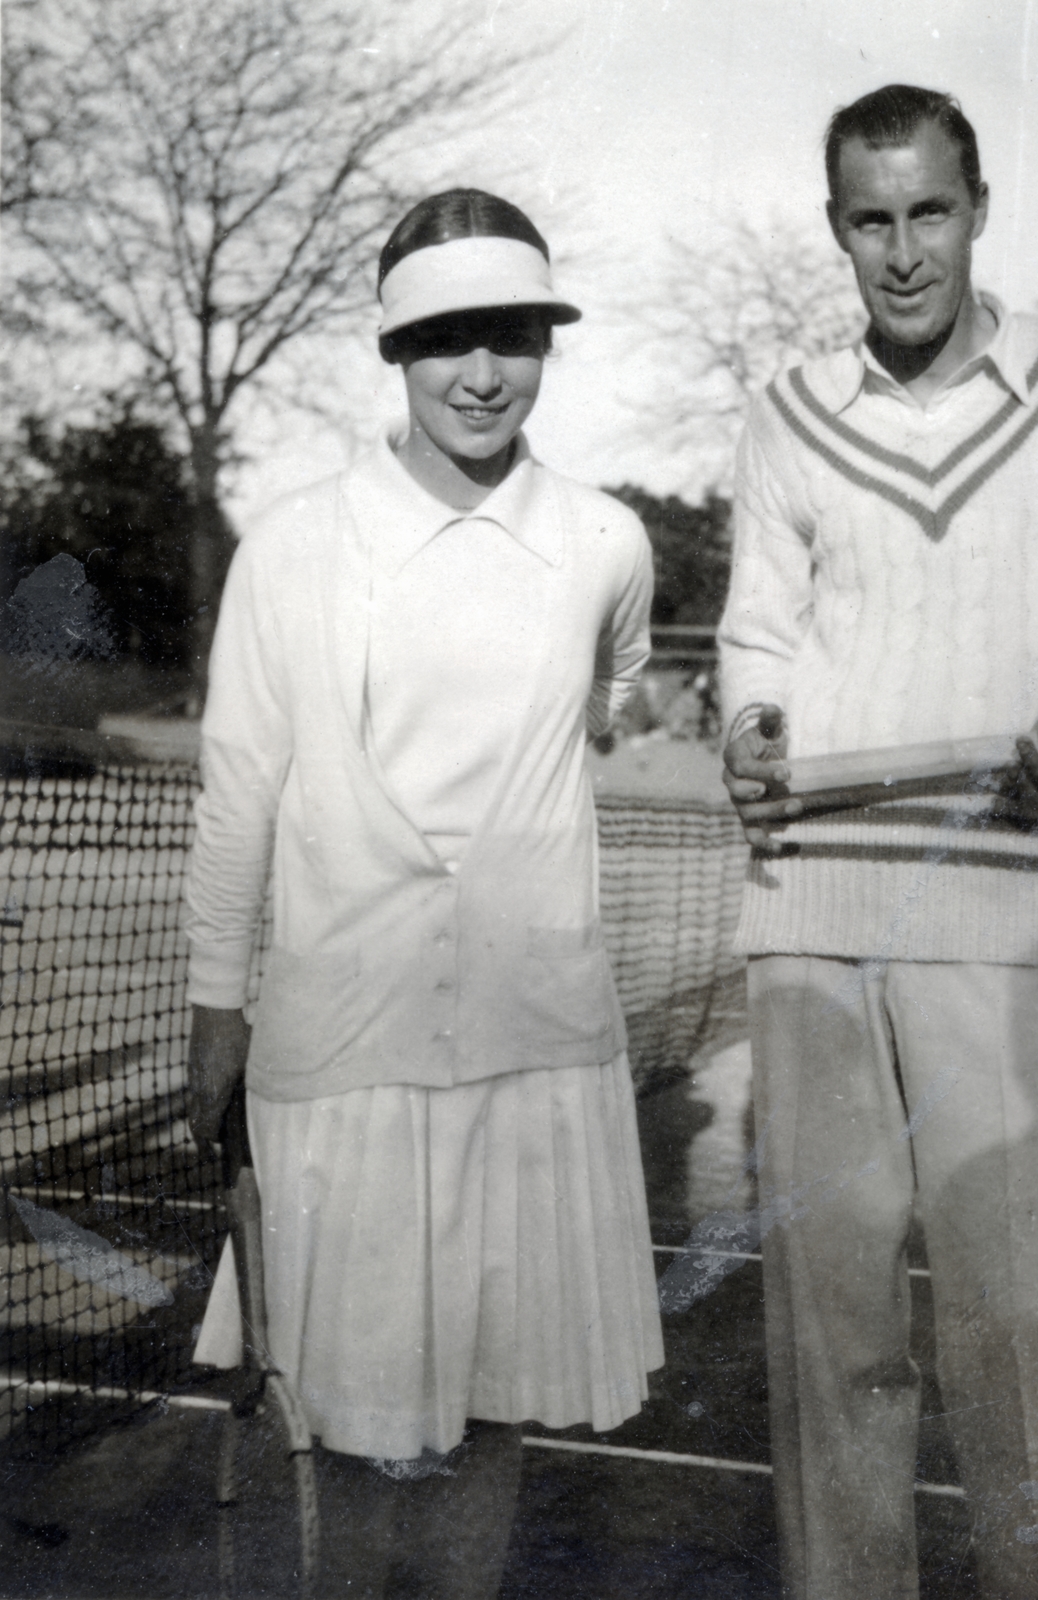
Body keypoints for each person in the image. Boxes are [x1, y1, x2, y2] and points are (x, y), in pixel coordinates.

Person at [718, 85, 1038, 1599]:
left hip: (1011, 917)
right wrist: (750, 729)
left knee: (1014, 1326)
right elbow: (758, 633)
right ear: (838, 232)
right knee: (833, 1334)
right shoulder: (788, 412)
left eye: (929, 211)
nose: (904, 252)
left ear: (979, 207)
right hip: (810, 908)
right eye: (870, 221)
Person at [185, 189, 662, 1598]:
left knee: (488, 1402)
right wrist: (219, 1005)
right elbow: (240, 792)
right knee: (335, 1408)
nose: (481, 372)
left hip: (534, 1034)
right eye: (446, 336)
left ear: (545, 345)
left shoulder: (607, 544)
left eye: (511, 336)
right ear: (393, 346)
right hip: (341, 1036)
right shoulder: (291, 551)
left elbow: (606, 707)